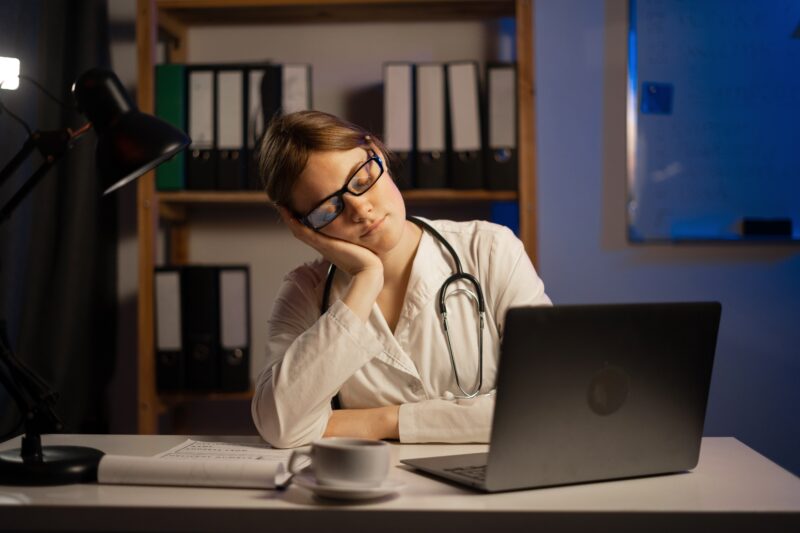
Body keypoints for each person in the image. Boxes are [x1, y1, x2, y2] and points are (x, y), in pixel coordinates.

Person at [251, 110, 551, 448]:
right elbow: (279, 424)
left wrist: (385, 420)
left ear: (377, 153)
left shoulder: (491, 250)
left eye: (362, 181)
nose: (360, 209)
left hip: (490, 491)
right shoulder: (305, 291)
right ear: (302, 225)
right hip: (371, 496)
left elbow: (545, 399)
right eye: (329, 208)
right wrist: (366, 279)